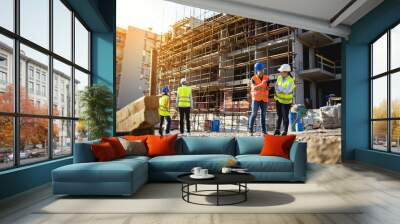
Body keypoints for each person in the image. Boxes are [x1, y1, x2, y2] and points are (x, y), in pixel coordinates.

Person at [274, 64, 296, 136]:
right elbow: (276, 87)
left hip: (286, 102)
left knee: (285, 116)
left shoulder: (291, 80)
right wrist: (279, 90)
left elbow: (287, 91)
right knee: (279, 115)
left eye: (281, 71)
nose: (280, 73)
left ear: (286, 72)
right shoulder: (279, 78)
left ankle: (285, 131)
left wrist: (279, 89)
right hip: (278, 100)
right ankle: (277, 130)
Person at [249, 62, 269, 135]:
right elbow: (254, 88)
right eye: (260, 70)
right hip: (256, 99)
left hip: (264, 99)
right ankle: (250, 130)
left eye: (262, 69)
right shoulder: (253, 78)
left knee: (263, 115)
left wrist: (268, 86)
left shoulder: (266, 77)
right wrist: (261, 84)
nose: (261, 71)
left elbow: (268, 87)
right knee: (254, 114)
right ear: (257, 70)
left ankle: (264, 131)